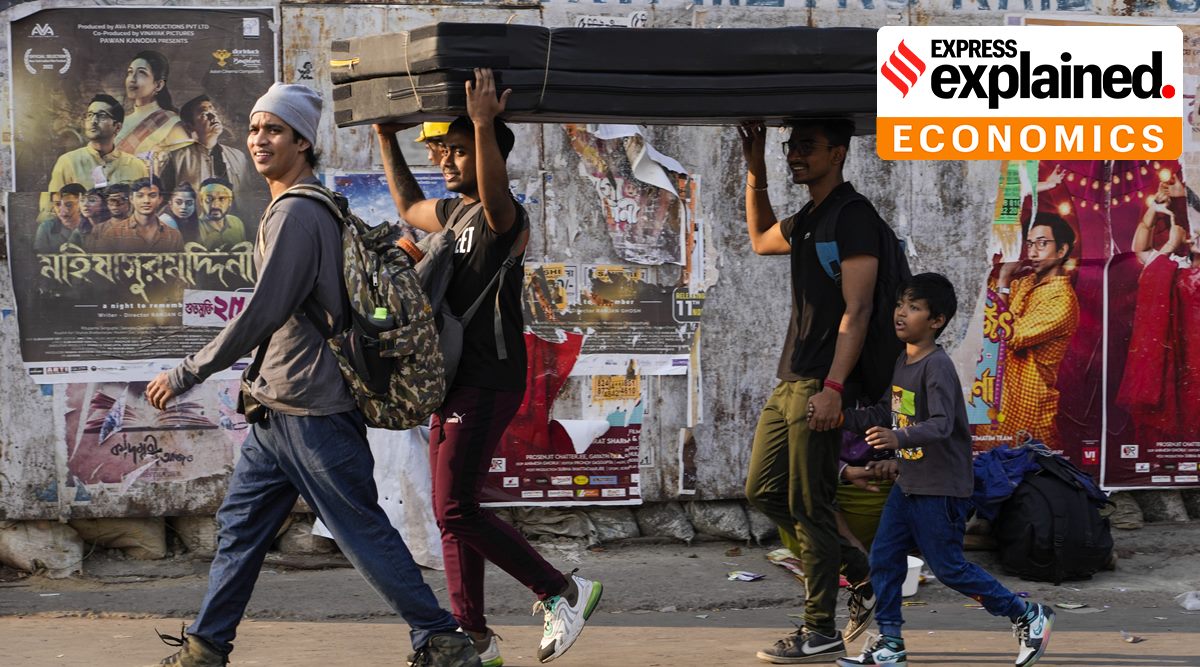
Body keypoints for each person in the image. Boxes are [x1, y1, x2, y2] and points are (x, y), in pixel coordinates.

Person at [143, 83, 479, 667]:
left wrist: (188, 372)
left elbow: (265, 309)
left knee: (361, 530)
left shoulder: (298, 212)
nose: (259, 139)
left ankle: (441, 638)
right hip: (276, 409)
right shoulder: (303, 206)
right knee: (241, 527)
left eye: (274, 129)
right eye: (254, 128)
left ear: (302, 142)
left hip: (311, 410)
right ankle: (206, 647)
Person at [376, 68, 602, 666]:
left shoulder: (505, 219)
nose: (446, 159)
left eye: (458, 150)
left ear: (488, 155)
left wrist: (482, 123)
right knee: (452, 513)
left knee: (455, 508)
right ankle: (472, 635)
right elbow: (407, 204)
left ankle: (561, 590)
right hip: (452, 381)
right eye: (445, 150)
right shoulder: (454, 214)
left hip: (488, 377)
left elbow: (495, 191)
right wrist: (385, 136)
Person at [837, 273, 1055, 667]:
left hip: (940, 489)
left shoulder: (936, 366)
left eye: (914, 308)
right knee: (884, 559)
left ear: (936, 320)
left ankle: (1026, 613)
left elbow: (941, 424)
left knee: (949, 568)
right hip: (909, 484)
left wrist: (897, 439)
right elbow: (888, 411)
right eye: (900, 305)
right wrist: (840, 417)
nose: (901, 313)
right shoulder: (904, 361)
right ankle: (890, 643)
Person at [737, 119, 879, 663]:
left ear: (838, 153)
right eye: (790, 146)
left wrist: (835, 388)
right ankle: (861, 571)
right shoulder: (810, 217)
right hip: (792, 377)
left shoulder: (853, 216)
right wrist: (756, 167)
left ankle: (819, 628)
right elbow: (760, 239)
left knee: (809, 505)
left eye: (807, 147)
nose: (795, 155)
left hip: (821, 380)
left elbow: (858, 309)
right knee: (764, 490)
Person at [979, 214, 1080, 448]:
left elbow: (1008, 336)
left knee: (1027, 467)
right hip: (1000, 404)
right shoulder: (1027, 282)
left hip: (1029, 412)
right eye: (1029, 244)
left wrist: (1004, 278)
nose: (1032, 253)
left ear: (1062, 250)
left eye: (1042, 244)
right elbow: (989, 307)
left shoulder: (1061, 300)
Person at [1117, 177, 1200, 449]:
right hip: (1170, 372)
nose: (1196, 235)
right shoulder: (1173, 263)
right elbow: (1140, 247)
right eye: (1193, 230)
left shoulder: (1171, 263)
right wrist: (1155, 206)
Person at [160, 95, 261, 205]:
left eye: (214, 111)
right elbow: (163, 200)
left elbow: (247, 200)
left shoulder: (238, 156)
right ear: (190, 126)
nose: (213, 116)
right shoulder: (176, 158)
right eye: (204, 114)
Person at [48, 93, 147, 192]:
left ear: (117, 127)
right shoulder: (68, 162)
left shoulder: (136, 166)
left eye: (102, 116)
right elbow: (52, 201)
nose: (93, 121)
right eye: (90, 115)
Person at [115, 50, 193, 162]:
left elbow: (184, 167)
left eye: (142, 73)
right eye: (130, 72)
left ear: (158, 85)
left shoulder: (171, 123)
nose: (132, 79)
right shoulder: (121, 122)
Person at [92, 175, 182, 253]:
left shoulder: (173, 236)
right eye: (140, 196)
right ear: (131, 199)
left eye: (152, 195)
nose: (146, 201)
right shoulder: (113, 233)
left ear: (160, 199)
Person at [196, 177, 246, 249]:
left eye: (222, 199)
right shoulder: (195, 227)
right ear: (201, 201)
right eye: (209, 199)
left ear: (230, 201)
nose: (215, 205)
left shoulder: (236, 223)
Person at [35, 183, 86, 252]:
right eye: (57, 204)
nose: (62, 211)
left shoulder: (95, 227)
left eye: (69, 204)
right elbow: (38, 255)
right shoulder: (46, 228)